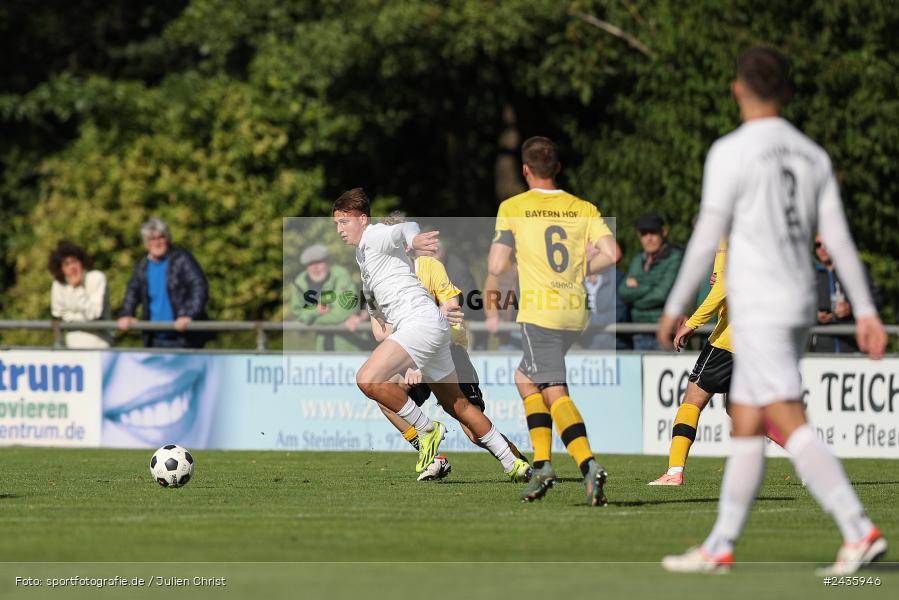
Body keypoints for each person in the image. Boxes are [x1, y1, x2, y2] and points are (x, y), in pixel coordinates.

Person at [657, 48, 888, 574]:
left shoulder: (731, 151)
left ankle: (858, 528)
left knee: (784, 414)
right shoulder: (812, 155)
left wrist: (676, 307)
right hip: (797, 301)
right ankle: (720, 545)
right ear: (786, 91)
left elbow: (706, 235)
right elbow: (839, 240)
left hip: (758, 304)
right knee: (746, 418)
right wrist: (866, 310)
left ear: (737, 90)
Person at [332, 188, 530, 483]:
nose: (339, 229)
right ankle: (514, 463)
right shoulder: (364, 253)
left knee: (367, 379)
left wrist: (414, 239)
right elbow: (376, 303)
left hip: (419, 325)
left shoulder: (374, 235)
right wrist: (373, 310)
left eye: (344, 222)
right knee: (458, 405)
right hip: (430, 327)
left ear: (362, 219)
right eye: (336, 223)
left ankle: (426, 429)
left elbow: (404, 229)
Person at [487, 136, 621, 505]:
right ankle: (543, 464)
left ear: (525, 170)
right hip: (575, 311)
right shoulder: (582, 207)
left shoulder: (514, 206)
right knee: (525, 379)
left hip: (540, 313)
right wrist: (581, 269)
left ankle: (587, 465)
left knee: (554, 390)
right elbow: (613, 253)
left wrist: (518, 261)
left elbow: (496, 265)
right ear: (557, 168)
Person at [648, 241, 786, 486]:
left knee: (692, 401)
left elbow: (724, 285)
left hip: (729, 340)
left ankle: (674, 471)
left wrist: (691, 323)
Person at [118, 217, 211, 348]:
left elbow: (199, 287)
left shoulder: (182, 259)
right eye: (152, 239)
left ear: (167, 239)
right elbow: (132, 291)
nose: (157, 243)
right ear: (146, 243)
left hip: (183, 338)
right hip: (154, 339)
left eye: (161, 237)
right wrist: (127, 314)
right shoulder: (142, 265)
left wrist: (188, 314)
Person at [618, 212, 683, 351]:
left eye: (653, 232)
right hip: (639, 333)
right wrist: (650, 286)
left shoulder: (675, 257)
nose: (649, 238)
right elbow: (623, 292)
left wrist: (636, 293)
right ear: (639, 235)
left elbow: (661, 295)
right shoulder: (637, 260)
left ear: (663, 232)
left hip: (667, 333)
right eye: (644, 233)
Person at [290, 243, 369, 351]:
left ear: (327, 262)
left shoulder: (341, 275)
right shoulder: (300, 283)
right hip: (320, 346)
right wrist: (316, 311)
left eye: (318, 262)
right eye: (310, 264)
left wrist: (310, 320)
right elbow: (298, 314)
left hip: (351, 343)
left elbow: (346, 311)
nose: (315, 267)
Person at [811, 233, 881, 353]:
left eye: (826, 244)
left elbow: (877, 300)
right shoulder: (810, 275)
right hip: (823, 353)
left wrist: (851, 308)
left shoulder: (854, 269)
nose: (822, 248)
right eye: (818, 245)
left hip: (855, 350)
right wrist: (813, 316)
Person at [48, 241, 111, 348]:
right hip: (73, 346)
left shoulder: (96, 278)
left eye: (74, 261)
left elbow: (93, 314)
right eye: (66, 264)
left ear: (82, 262)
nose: (72, 267)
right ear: (61, 268)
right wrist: (81, 319)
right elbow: (58, 315)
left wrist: (77, 288)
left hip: (99, 345)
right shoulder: (58, 284)